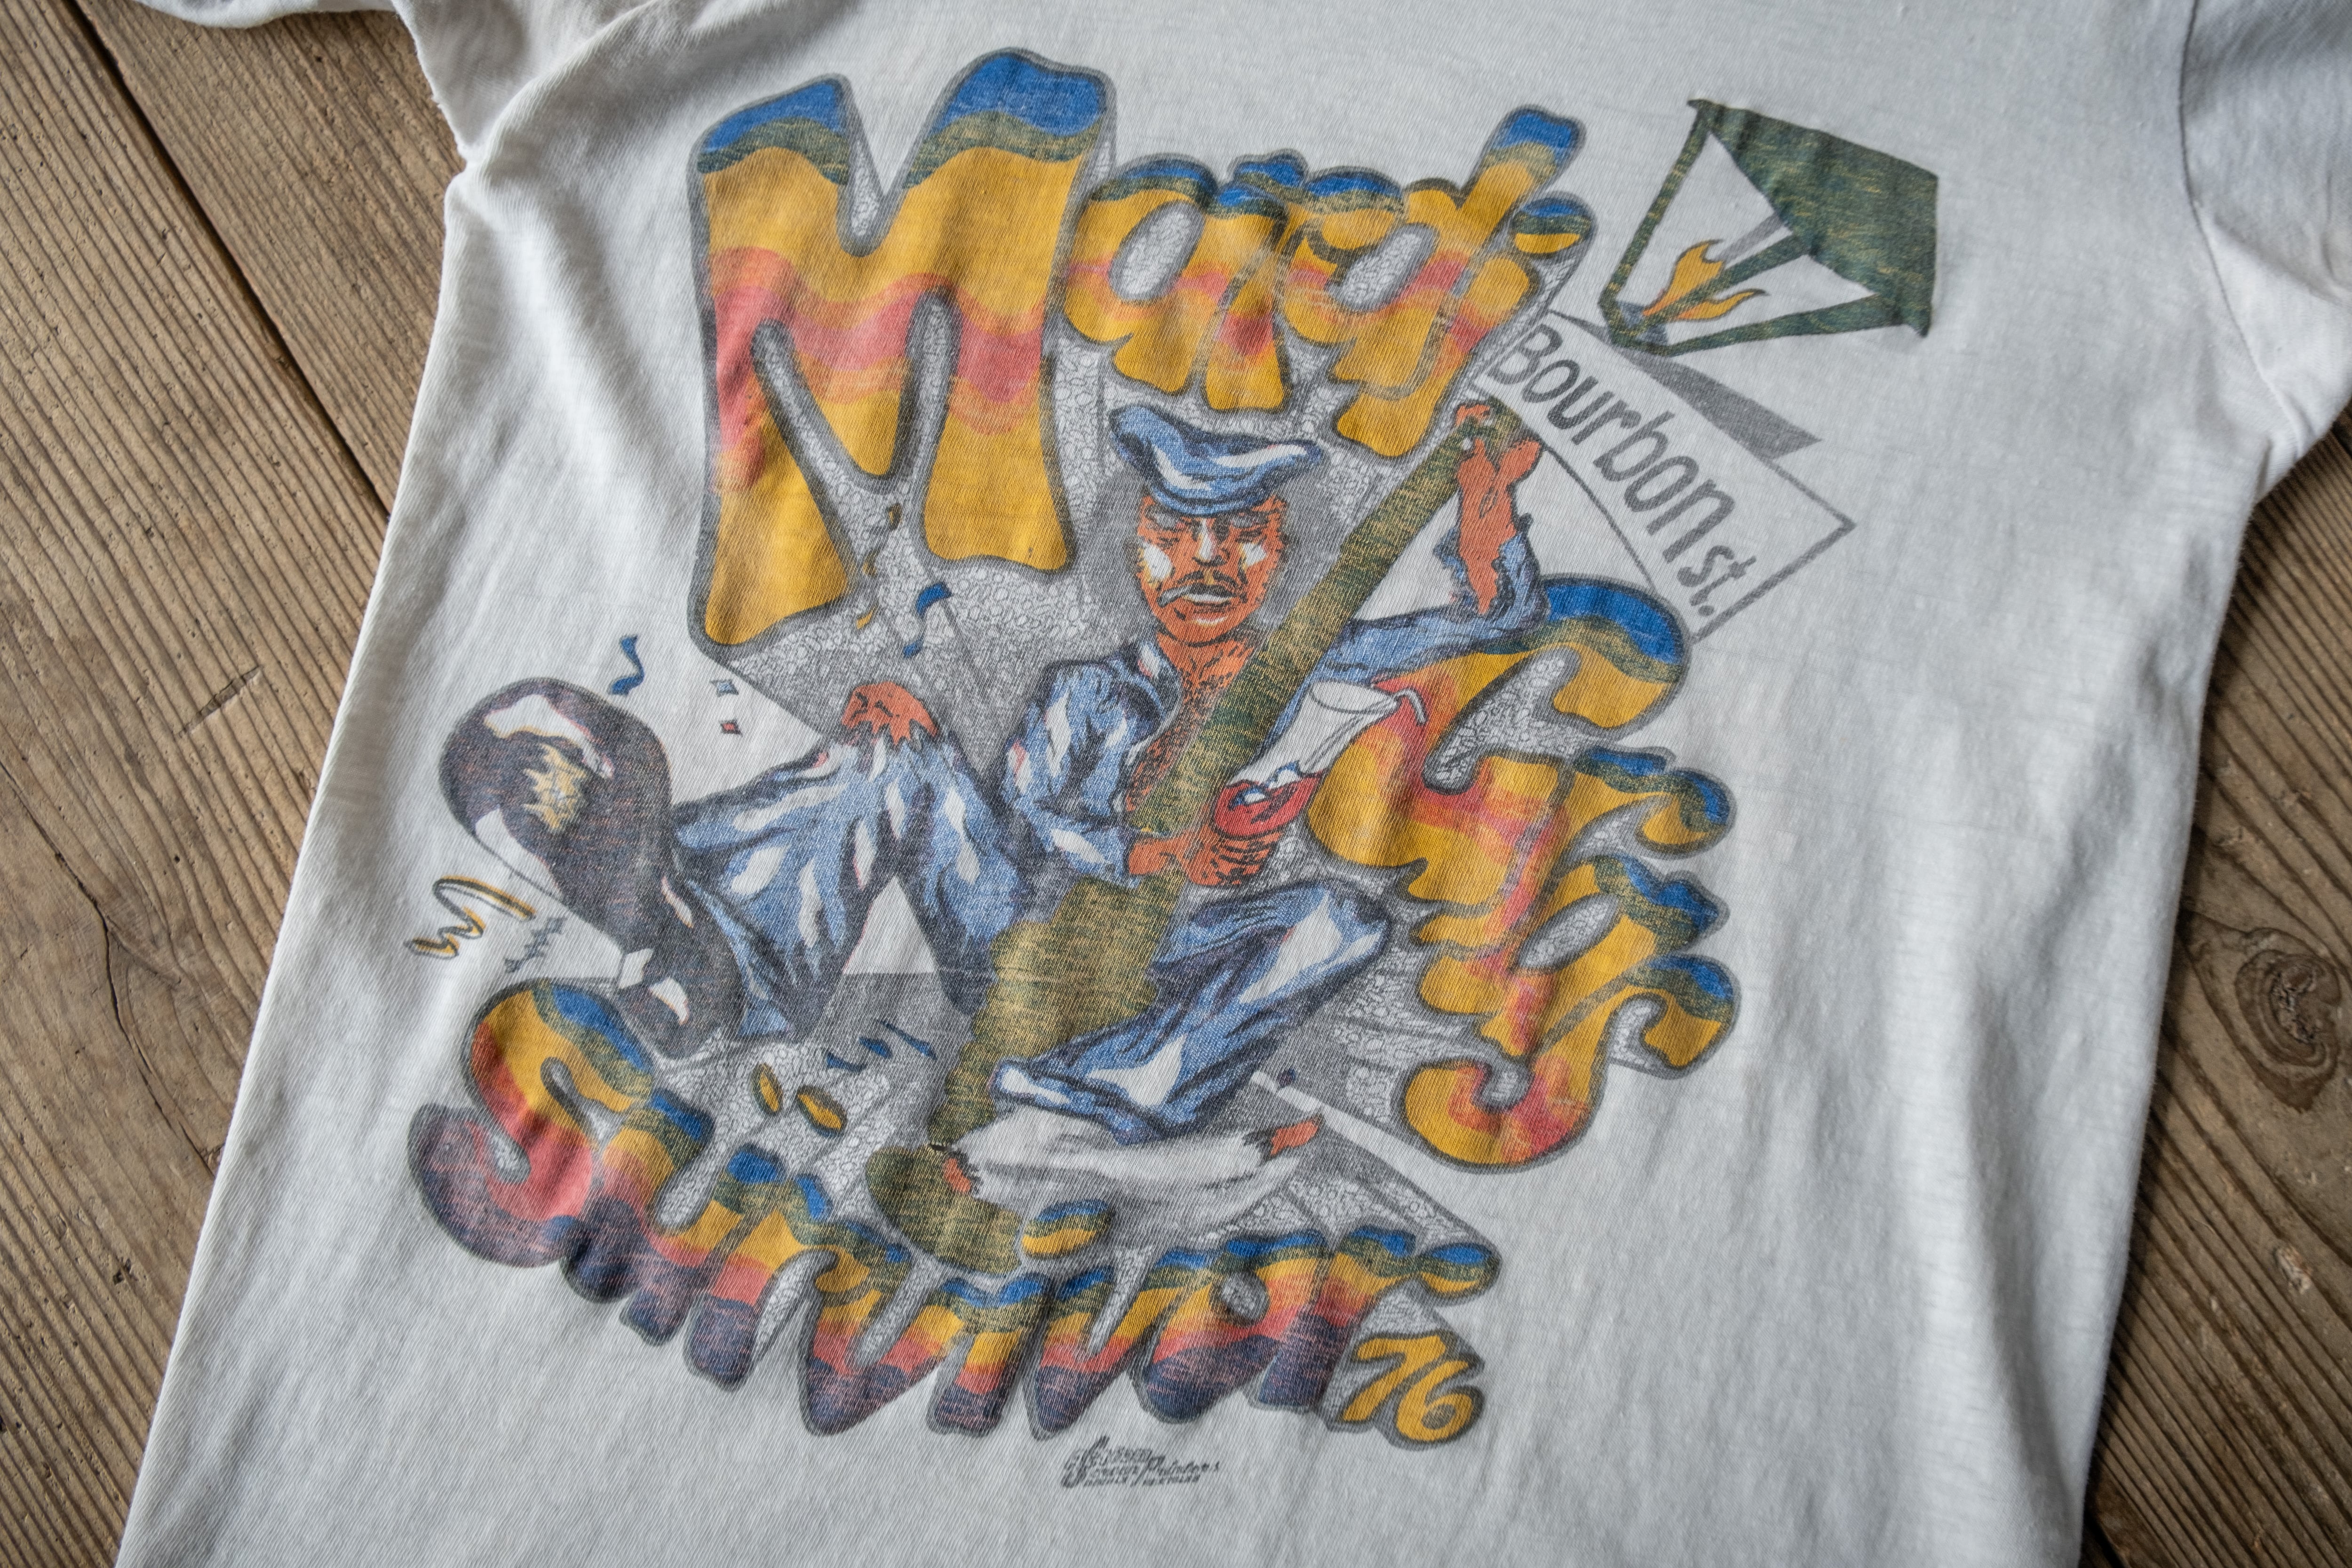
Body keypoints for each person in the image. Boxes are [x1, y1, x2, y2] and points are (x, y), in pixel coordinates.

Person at [437, 403, 1545, 1164]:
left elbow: (1489, 616)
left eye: (1241, 538)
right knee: (895, 741)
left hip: (1169, 958)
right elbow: (1028, 823)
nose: (1207, 564)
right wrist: (1153, 850)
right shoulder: (1088, 693)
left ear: (1280, 553)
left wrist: (1486, 512)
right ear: (1137, 550)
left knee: (1339, 921)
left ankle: (1108, 1088)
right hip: (1016, 938)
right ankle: (717, 949)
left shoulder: (1315, 665)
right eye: (1175, 535)